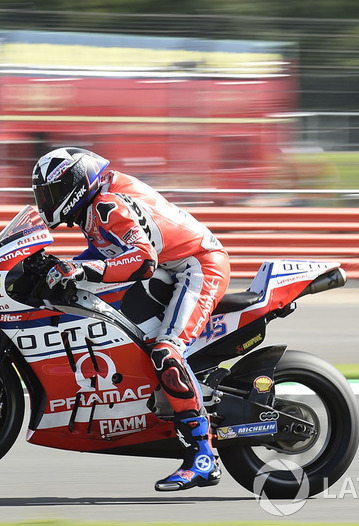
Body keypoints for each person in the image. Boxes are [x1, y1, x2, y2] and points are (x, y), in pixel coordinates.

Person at [31, 147, 230, 491]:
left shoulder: (108, 205)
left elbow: (142, 261)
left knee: (166, 352)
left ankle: (203, 456)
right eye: (43, 194)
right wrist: (59, 268)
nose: (47, 201)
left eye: (51, 192)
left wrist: (78, 269)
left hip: (196, 266)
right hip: (171, 268)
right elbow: (104, 255)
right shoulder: (92, 208)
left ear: (75, 185)